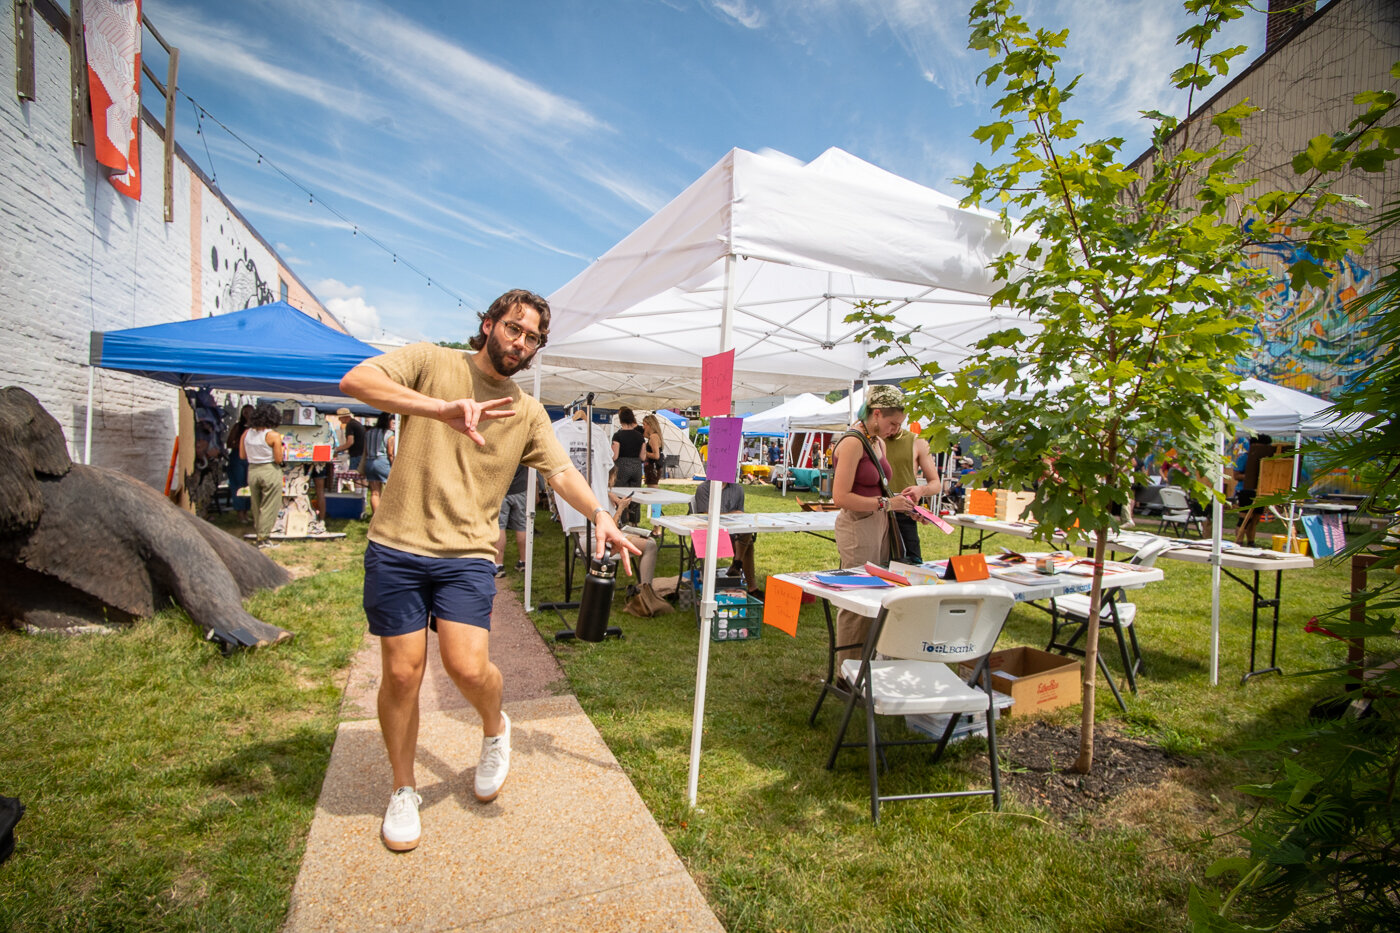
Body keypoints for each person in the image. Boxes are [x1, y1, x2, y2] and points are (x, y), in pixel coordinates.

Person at [338, 288, 639, 854]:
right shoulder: (431, 361)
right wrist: (438, 409)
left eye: (532, 338)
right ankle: (404, 788)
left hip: (467, 554)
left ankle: (495, 727)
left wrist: (600, 512)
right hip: (397, 545)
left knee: (466, 666)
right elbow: (354, 383)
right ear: (489, 323)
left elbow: (560, 470)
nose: (520, 342)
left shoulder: (525, 412)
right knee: (402, 674)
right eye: (513, 328)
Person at [830, 384, 914, 662]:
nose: (895, 430)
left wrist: (901, 503)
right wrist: (887, 504)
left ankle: (867, 660)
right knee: (857, 599)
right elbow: (840, 497)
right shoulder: (853, 442)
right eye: (892, 423)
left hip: (879, 522)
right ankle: (848, 669)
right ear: (876, 414)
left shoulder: (878, 442)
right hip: (858, 525)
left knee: (877, 592)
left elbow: (880, 486)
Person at [690, 480, 764, 600]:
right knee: (747, 543)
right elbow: (705, 516)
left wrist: (719, 515)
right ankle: (748, 582)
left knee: (747, 531)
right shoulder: (704, 489)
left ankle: (737, 565)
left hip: (733, 534)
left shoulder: (738, 489)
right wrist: (730, 514)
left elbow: (741, 514)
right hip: (710, 534)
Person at [884, 425, 943, 563]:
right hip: (874, 515)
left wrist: (921, 490)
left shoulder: (917, 441)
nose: (891, 427)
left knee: (910, 568)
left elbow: (936, 484)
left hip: (905, 517)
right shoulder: (871, 441)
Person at [240, 403, 284, 548]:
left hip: (252, 469)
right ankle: (263, 537)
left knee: (256, 504)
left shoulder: (246, 434)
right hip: (269, 469)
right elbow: (278, 459)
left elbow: (242, 455)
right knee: (270, 504)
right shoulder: (273, 435)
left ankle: (259, 532)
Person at [1233, 434, 1276, 545]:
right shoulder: (1244, 457)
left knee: (1255, 519)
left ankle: (1251, 542)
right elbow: (1236, 476)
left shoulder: (1267, 458)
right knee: (1244, 519)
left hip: (1259, 491)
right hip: (1245, 491)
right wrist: (1251, 476)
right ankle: (1239, 542)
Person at [611, 406, 646, 524]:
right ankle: (634, 522)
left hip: (622, 466)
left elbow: (615, 456)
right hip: (636, 467)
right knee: (635, 496)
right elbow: (643, 457)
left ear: (621, 420)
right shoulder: (640, 436)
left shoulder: (618, 436)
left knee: (621, 495)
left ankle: (622, 520)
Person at [494, 463, 529, 577]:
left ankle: (498, 564)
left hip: (500, 487)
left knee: (499, 526)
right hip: (521, 488)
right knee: (522, 525)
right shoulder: (522, 445)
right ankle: (524, 561)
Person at [361, 412, 396, 516]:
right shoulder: (390, 434)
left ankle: (376, 517)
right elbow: (390, 453)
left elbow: (366, 450)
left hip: (370, 461)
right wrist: (394, 465)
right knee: (391, 490)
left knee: (375, 492)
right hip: (383, 462)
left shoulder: (369, 432)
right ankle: (389, 516)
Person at [224, 404, 254, 524]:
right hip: (238, 458)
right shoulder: (238, 426)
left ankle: (246, 512)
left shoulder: (256, 427)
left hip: (251, 458)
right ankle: (240, 513)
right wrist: (241, 445)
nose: (247, 414)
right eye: (245, 412)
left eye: (250, 412)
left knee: (249, 485)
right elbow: (229, 443)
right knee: (238, 485)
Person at [336, 407, 367, 472]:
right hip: (362, 454)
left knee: (354, 474)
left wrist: (337, 449)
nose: (339, 420)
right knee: (361, 476)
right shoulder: (356, 423)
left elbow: (350, 442)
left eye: (339, 418)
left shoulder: (350, 425)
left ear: (345, 417)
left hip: (356, 455)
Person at [642, 413, 665, 487]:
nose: (643, 427)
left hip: (653, 467)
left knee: (652, 488)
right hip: (653, 467)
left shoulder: (653, 437)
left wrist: (645, 453)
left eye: (644, 424)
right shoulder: (654, 436)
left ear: (650, 425)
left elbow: (656, 455)